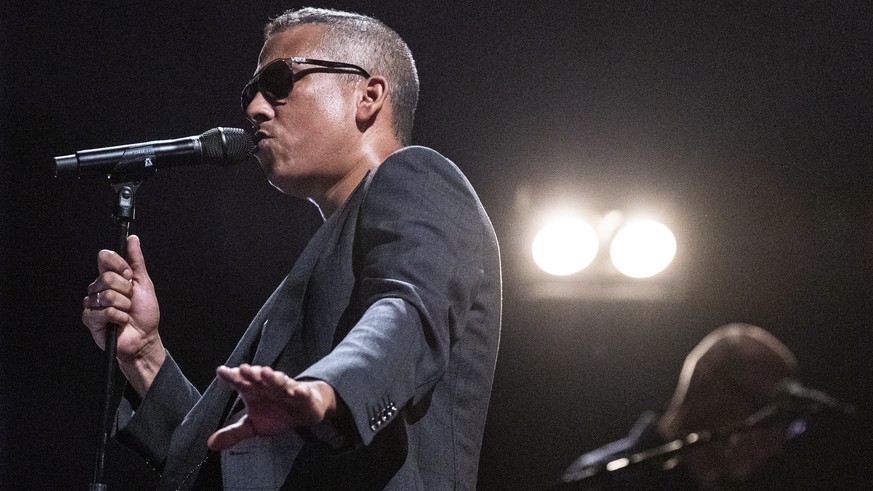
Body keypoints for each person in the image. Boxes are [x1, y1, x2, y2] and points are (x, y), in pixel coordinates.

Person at [81, 7, 501, 490]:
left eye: (280, 81)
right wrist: (143, 354)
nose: (256, 107)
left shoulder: (417, 176)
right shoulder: (320, 265)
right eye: (250, 93)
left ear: (369, 96)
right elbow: (226, 459)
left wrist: (326, 391)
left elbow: (406, 314)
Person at [561, 324, 805, 490]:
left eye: (787, 422)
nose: (777, 440)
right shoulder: (603, 481)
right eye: (768, 411)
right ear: (710, 390)